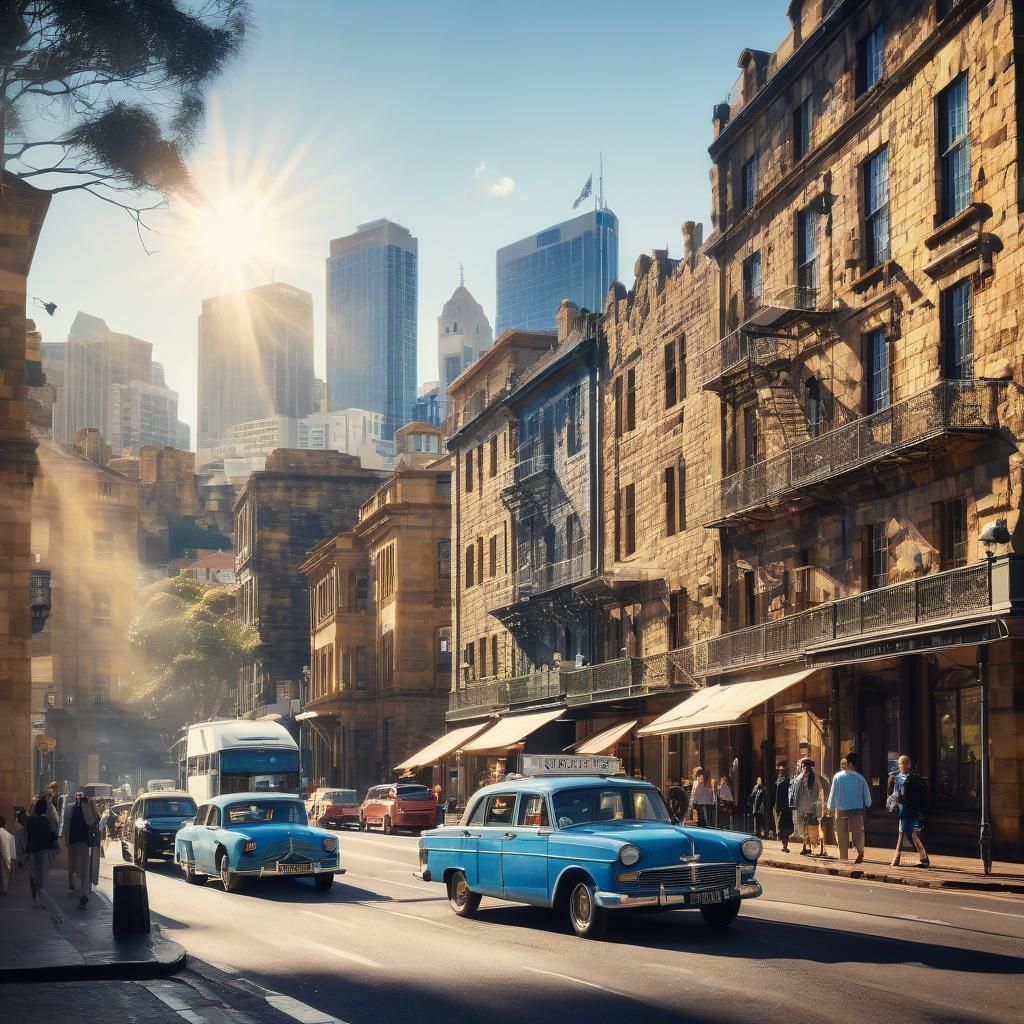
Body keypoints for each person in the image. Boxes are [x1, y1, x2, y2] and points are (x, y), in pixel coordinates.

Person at [827, 753, 872, 863]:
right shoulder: (860, 778)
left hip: (841, 809)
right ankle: (860, 852)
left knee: (842, 834)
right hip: (857, 809)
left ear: (849, 763)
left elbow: (833, 793)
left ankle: (843, 856)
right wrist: (868, 803)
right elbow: (867, 799)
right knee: (858, 832)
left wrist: (830, 806)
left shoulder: (838, 777)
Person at [888, 754, 930, 867]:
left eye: (905, 763)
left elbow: (895, 794)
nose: (904, 765)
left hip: (906, 810)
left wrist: (892, 804)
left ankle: (922, 856)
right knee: (907, 833)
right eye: (903, 763)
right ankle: (900, 858)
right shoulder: (914, 778)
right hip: (913, 810)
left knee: (909, 834)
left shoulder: (899, 778)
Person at [61, 790, 98, 908]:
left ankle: (74, 885)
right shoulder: (84, 808)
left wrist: (67, 840)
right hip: (82, 842)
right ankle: (83, 892)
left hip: (74, 841)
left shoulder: (69, 808)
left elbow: (66, 825)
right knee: (83, 867)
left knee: (73, 865)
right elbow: (92, 821)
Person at [789, 757, 822, 856]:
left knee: (808, 828)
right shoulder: (805, 777)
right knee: (805, 827)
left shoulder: (811, 777)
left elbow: (817, 792)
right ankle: (806, 846)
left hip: (807, 807)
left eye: (803, 766)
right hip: (806, 807)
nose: (803, 768)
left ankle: (808, 846)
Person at [25, 799, 54, 909]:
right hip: (42, 850)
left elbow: (28, 836)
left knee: (33, 873)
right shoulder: (46, 820)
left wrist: (26, 851)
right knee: (40, 874)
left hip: (32, 849)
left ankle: (35, 897)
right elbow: (48, 837)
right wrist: (50, 854)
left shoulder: (30, 820)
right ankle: (38, 898)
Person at [772, 764, 793, 850]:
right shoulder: (788, 782)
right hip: (787, 808)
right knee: (785, 826)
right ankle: (785, 845)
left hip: (782, 808)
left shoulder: (780, 783)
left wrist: (777, 808)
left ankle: (784, 845)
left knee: (782, 826)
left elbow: (777, 797)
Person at [0, 815, 13, 895]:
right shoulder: (8, 835)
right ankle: (5, 889)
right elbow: (12, 850)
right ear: (4, 824)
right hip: (5, 857)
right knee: (5, 873)